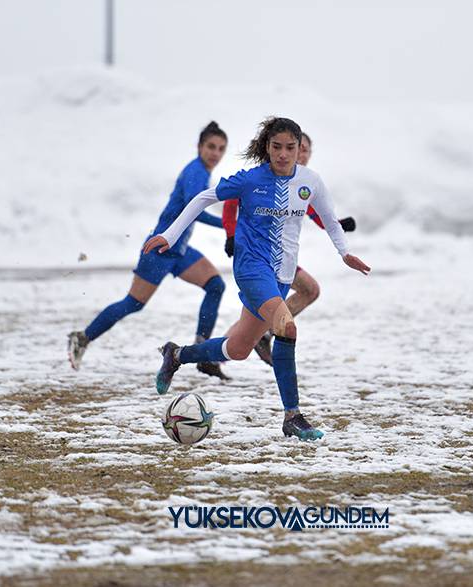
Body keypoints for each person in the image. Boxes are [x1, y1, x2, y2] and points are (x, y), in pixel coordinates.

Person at [143, 117, 370, 441]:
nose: (283, 154)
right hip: (251, 269)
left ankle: (177, 354)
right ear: (266, 147)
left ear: (299, 149)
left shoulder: (310, 181)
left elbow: (331, 221)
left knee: (237, 349)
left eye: (290, 148)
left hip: (282, 274)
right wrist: (169, 234)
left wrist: (344, 253)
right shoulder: (250, 180)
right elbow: (203, 198)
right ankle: (292, 416)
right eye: (276, 147)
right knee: (286, 326)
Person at [68, 122, 230, 380]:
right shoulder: (196, 171)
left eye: (221, 149)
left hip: (179, 250)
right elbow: (194, 208)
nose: (215, 153)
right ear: (199, 147)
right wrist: (227, 224)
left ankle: (203, 355)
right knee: (133, 303)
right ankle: (82, 337)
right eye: (210, 147)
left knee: (216, 286)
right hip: (160, 249)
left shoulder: (202, 172)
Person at [221, 131, 356, 365]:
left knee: (258, 314)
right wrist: (231, 234)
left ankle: (218, 354)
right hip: (259, 258)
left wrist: (338, 225)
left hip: (282, 258)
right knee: (307, 291)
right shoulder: (264, 177)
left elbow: (313, 213)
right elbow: (231, 201)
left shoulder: (302, 183)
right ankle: (263, 336)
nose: (301, 155)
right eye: (298, 148)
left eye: (306, 151)